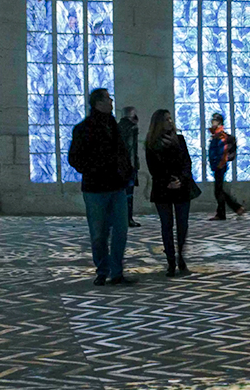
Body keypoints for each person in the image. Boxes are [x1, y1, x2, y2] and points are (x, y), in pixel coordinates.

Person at [66, 88, 135, 285]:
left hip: (117, 186)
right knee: (99, 233)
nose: (112, 101)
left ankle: (117, 271)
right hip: (95, 189)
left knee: (121, 231)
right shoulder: (84, 128)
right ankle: (102, 270)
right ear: (99, 103)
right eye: (108, 98)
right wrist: (95, 169)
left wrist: (126, 172)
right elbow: (74, 158)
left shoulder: (113, 125)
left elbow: (122, 152)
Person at [144, 109, 195, 276]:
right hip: (162, 188)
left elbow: (187, 162)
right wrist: (168, 182)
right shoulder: (151, 143)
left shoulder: (179, 140)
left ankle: (181, 257)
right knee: (166, 225)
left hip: (181, 186)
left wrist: (180, 179)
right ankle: (170, 261)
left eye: (171, 118)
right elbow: (153, 168)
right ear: (159, 123)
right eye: (166, 119)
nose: (170, 122)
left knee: (182, 225)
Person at [206, 112, 245, 220]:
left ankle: (226, 211)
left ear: (219, 123)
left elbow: (223, 152)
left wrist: (220, 163)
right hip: (217, 165)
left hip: (220, 165)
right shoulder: (216, 135)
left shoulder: (221, 136)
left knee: (218, 190)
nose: (212, 123)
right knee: (220, 189)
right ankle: (234, 208)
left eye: (214, 121)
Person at [119, 106, 141, 227]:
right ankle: (127, 219)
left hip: (123, 166)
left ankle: (124, 218)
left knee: (124, 194)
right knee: (128, 194)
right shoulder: (131, 128)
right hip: (128, 167)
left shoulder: (119, 126)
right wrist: (133, 166)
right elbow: (131, 149)